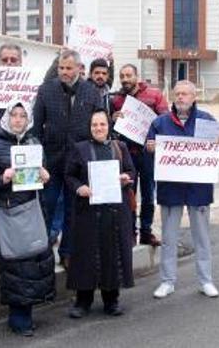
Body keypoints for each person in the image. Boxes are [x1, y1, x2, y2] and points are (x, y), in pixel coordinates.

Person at [0, 100, 55, 336]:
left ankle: (27, 312)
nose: (18, 120)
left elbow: (42, 173)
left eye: (22, 116)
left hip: (33, 209)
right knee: (13, 264)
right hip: (8, 212)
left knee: (33, 261)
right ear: (6, 118)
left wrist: (45, 174)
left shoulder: (33, 142)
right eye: (14, 115)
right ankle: (18, 317)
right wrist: (3, 178)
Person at [146, 80, 219, 299]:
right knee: (169, 237)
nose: (180, 97)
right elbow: (149, 148)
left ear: (194, 96)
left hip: (199, 188)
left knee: (202, 237)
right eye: (177, 93)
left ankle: (206, 280)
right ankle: (167, 281)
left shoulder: (206, 121)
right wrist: (149, 147)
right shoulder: (161, 122)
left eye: (185, 94)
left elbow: (214, 155)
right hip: (171, 188)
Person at [32, 49, 103, 267]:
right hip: (51, 161)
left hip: (79, 162)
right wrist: (39, 160)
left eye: (68, 68)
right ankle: (43, 254)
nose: (63, 72)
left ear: (79, 69)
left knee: (74, 210)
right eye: (61, 68)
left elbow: (99, 125)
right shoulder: (45, 90)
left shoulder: (91, 92)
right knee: (47, 207)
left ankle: (68, 252)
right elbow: (36, 128)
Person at [64, 109, 136, 318]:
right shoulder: (80, 149)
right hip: (88, 211)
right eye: (94, 125)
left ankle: (111, 300)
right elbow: (69, 175)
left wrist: (125, 177)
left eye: (102, 124)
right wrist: (80, 188)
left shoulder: (120, 147)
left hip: (114, 211)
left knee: (111, 254)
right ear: (89, 127)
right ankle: (83, 301)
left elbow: (131, 171)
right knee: (86, 255)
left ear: (108, 126)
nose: (98, 128)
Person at [111, 64, 169, 246]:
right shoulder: (117, 99)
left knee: (148, 195)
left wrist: (154, 129)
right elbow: (111, 128)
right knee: (129, 194)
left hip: (148, 153)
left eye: (129, 75)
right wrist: (113, 118)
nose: (125, 79)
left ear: (137, 76)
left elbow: (165, 119)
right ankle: (130, 232)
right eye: (122, 76)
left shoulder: (154, 95)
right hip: (127, 153)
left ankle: (146, 231)